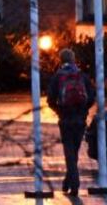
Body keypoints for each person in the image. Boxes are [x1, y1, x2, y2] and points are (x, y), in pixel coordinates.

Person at [47, 48, 95, 196]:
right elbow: (91, 97)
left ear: (60, 60)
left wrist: (59, 111)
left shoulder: (57, 76)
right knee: (73, 152)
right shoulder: (82, 76)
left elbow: (50, 100)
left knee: (70, 153)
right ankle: (68, 182)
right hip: (80, 120)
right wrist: (83, 111)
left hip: (66, 119)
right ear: (74, 59)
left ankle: (74, 184)